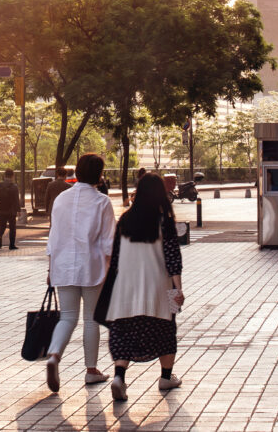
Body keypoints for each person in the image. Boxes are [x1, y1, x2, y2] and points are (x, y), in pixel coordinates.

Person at [103, 172, 184, 401]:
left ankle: (119, 376)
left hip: (125, 287)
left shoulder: (125, 220)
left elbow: (115, 257)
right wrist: (178, 289)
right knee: (165, 331)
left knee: (124, 332)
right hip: (158, 286)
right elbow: (172, 258)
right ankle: (166, 377)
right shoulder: (164, 221)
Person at [44, 152, 116, 392]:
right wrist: (112, 267)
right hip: (92, 266)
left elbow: (53, 236)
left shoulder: (61, 200)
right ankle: (91, 370)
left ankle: (54, 355)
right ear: (99, 174)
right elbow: (108, 241)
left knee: (67, 317)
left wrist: (50, 265)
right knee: (90, 319)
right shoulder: (102, 202)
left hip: (62, 265)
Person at [0, 168, 21, 249]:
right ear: (12, 176)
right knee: (12, 227)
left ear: (4, 175)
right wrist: (18, 210)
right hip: (11, 211)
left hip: (0, 210)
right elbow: (16, 199)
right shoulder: (14, 186)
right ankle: (11, 245)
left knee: (1, 225)